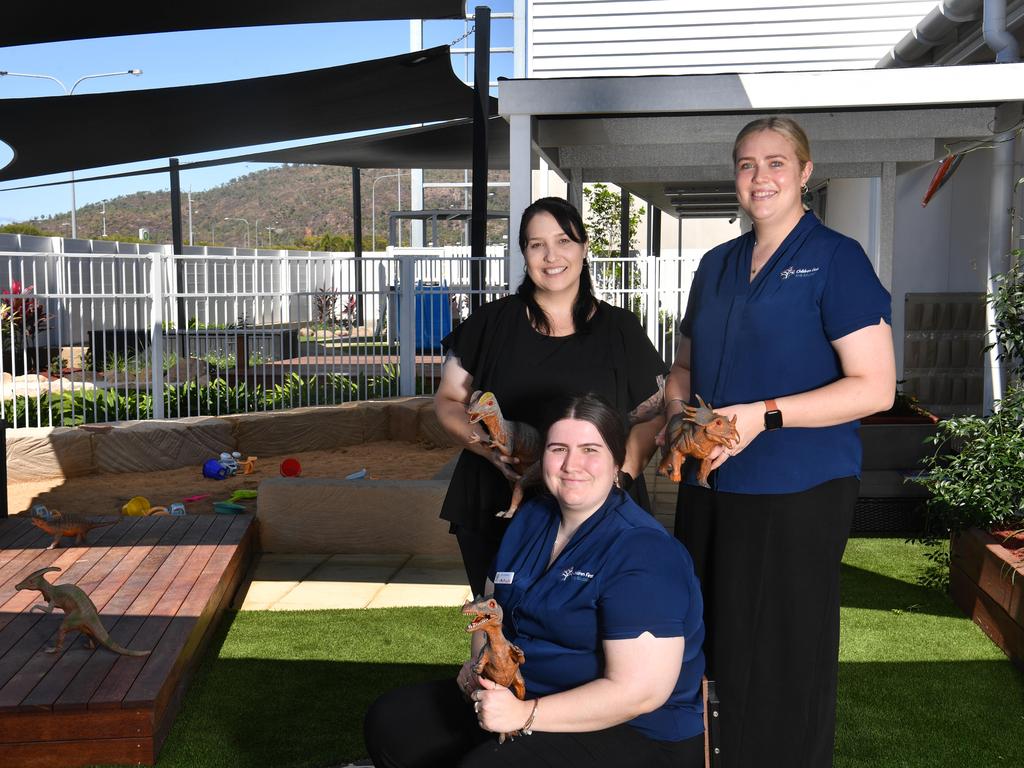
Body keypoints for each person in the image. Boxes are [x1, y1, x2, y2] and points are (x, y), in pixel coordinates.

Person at [666, 116, 896, 768]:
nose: (759, 176)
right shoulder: (715, 265)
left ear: (804, 173)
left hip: (798, 489)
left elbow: (874, 387)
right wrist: (680, 420)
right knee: (708, 645)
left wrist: (762, 416)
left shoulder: (836, 259)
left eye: (774, 162)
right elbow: (686, 366)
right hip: (709, 488)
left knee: (783, 655)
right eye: (746, 164)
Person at [364, 393, 706, 768]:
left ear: (616, 460)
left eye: (590, 449)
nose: (572, 464)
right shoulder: (532, 518)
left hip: (634, 729)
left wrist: (526, 715)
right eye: (559, 448)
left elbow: (639, 693)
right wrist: (482, 670)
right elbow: (491, 606)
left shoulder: (644, 551)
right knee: (393, 723)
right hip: (520, 695)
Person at [434, 197, 668, 597]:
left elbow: (655, 414)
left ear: (583, 246)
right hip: (497, 501)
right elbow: (449, 402)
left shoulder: (620, 329)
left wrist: (621, 473)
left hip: (598, 505)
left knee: (592, 637)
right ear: (524, 252)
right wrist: (488, 450)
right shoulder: (491, 323)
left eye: (563, 241)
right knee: (503, 631)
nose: (551, 255)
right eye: (536, 244)